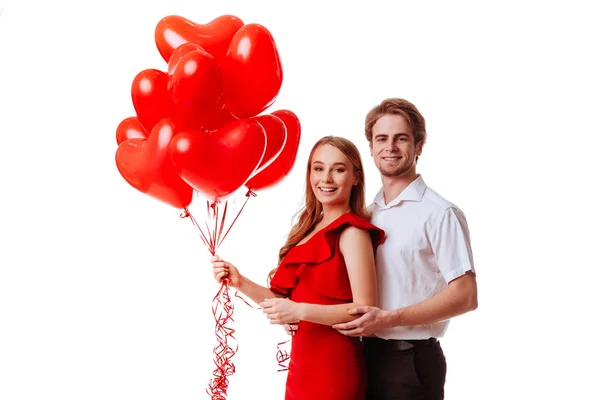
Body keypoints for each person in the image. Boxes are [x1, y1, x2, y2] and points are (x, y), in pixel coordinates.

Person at [211, 136, 385, 400]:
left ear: (356, 177)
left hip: (334, 370)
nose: (326, 178)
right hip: (301, 368)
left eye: (338, 169)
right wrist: (241, 282)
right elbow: (284, 303)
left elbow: (364, 309)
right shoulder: (306, 229)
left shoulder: (352, 232)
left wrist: (299, 310)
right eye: (318, 168)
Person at [332, 98, 478, 400]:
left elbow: (466, 296)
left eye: (401, 138)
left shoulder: (439, 213)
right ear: (370, 147)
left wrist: (390, 318)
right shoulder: (367, 214)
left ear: (419, 146)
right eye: (381, 139)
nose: (391, 147)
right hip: (361, 356)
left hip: (410, 361)